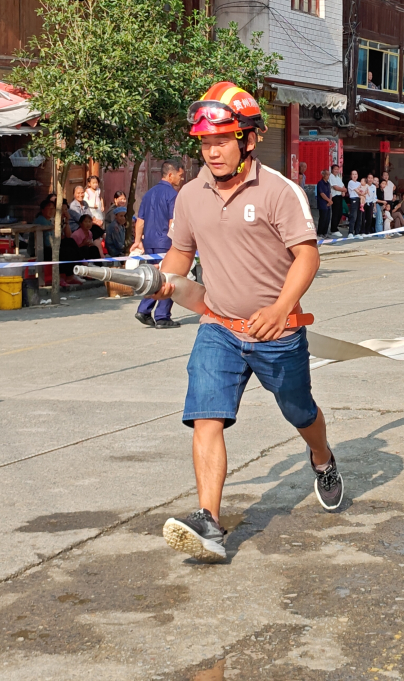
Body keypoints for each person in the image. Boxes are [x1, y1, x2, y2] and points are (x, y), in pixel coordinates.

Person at [152, 81, 341, 562]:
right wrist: (152, 282)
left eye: (222, 141)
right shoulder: (191, 195)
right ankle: (209, 523)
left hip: (277, 332)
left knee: (300, 411)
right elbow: (180, 253)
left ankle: (322, 458)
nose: (211, 152)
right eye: (204, 143)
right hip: (218, 326)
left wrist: (280, 309)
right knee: (205, 417)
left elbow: (306, 257)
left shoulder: (280, 191)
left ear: (249, 139)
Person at [131, 160, 183, 329]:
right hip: (166, 243)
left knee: (153, 278)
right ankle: (162, 316)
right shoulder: (172, 195)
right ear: (170, 174)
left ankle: (144, 310)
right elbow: (172, 222)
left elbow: (140, 220)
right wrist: (179, 243)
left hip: (150, 243)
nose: (181, 179)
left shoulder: (148, 194)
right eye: (180, 176)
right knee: (168, 278)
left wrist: (138, 241)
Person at [328, 164, 345, 231]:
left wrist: (343, 191)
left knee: (340, 213)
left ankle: (336, 227)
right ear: (332, 170)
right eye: (335, 169)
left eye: (337, 169)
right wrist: (343, 190)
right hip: (334, 197)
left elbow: (342, 186)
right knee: (335, 213)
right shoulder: (331, 177)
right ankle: (333, 229)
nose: (336, 171)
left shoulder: (338, 177)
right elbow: (335, 187)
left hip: (340, 196)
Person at [316, 169, 332, 237]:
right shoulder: (320, 183)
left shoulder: (328, 184)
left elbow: (330, 193)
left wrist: (330, 200)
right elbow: (322, 193)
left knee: (328, 218)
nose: (328, 176)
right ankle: (320, 232)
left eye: (329, 175)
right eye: (327, 174)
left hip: (328, 203)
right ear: (323, 175)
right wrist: (328, 200)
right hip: (322, 203)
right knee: (323, 218)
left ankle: (325, 232)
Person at [345, 170, 361, 236]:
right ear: (351, 176)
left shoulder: (359, 183)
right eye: (353, 174)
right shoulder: (350, 182)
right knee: (353, 216)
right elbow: (358, 191)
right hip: (353, 199)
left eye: (356, 174)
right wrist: (361, 192)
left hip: (359, 200)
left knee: (359, 217)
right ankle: (350, 232)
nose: (354, 175)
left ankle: (357, 232)